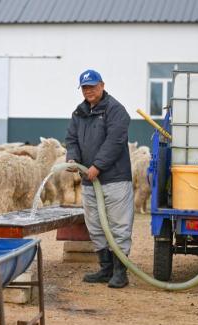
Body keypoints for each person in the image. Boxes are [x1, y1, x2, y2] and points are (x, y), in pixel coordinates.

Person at [65, 69, 134, 288]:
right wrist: (73, 159)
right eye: (85, 88)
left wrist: (97, 166)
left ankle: (120, 271)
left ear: (102, 85)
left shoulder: (116, 111)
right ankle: (106, 268)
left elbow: (114, 142)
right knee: (95, 225)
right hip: (89, 180)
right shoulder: (79, 113)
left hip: (114, 179)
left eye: (93, 87)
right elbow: (72, 139)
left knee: (118, 225)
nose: (89, 91)